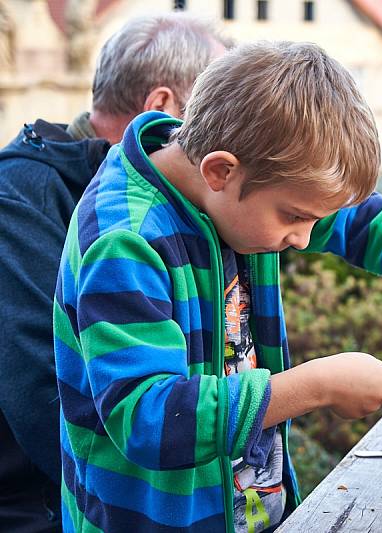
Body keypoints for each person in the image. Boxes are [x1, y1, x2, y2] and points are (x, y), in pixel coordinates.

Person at [54, 40, 382, 532]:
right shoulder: (126, 242)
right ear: (221, 171)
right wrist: (313, 387)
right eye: (296, 218)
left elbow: (365, 223)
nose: (304, 239)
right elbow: (149, 419)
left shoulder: (243, 189)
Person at [0, 14, 231, 532]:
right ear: (163, 108)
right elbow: (43, 402)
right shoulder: (20, 200)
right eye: (219, 105)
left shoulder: (177, 202)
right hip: (47, 507)